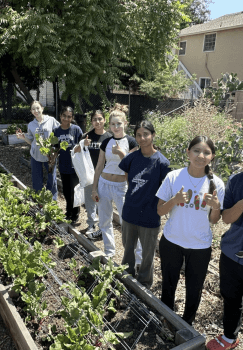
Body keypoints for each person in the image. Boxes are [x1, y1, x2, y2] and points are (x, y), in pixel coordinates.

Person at [156, 136, 224, 325]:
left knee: (194, 288)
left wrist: (216, 207)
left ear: (212, 157)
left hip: (200, 245)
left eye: (206, 152)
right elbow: (160, 210)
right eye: (196, 150)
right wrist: (174, 200)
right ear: (188, 152)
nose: (200, 155)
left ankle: (187, 324)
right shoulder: (174, 177)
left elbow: (214, 220)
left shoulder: (216, 184)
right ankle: (166, 318)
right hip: (172, 241)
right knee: (168, 284)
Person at [207, 129, 243, 350]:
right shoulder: (238, 181)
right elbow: (226, 218)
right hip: (231, 254)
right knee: (231, 298)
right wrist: (242, 206)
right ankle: (229, 337)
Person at [119, 120, 170, 289]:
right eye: (139, 135)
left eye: (146, 134)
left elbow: (165, 189)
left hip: (150, 214)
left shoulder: (162, 163)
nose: (142, 138)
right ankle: (127, 278)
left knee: (148, 254)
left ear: (153, 135)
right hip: (130, 212)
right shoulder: (131, 158)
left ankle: (144, 284)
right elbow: (128, 178)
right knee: (128, 250)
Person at [91, 104, 138, 257]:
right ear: (109, 126)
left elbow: (132, 167)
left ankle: (132, 256)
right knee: (104, 220)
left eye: (119, 123)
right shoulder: (106, 142)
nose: (116, 126)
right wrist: (94, 188)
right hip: (104, 184)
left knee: (127, 222)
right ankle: (110, 251)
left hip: (121, 186)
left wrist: (121, 153)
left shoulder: (131, 142)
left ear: (125, 123)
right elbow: (99, 166)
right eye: (113, 124)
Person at [73, 110, 112, 237]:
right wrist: (82, 144)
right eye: (95, 119)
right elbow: (75, 151)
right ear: (91, 122)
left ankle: (104, 226)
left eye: (100, 119)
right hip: (90, 175)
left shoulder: (110, 137)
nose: (98, 122)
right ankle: (91, 224)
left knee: (104, 201)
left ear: (105, 120)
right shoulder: (87, 136)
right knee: (90, 201)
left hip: (105, 174)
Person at [16, 101, 60, 200]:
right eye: (33, 109)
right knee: (36, 179)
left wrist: (55, 148)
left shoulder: (51, 120)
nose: (36, 111)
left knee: (51, 179)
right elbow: (32, 141)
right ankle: (39, 200)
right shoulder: (31, 125)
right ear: (31, 111)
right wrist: (23, 137)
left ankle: (52, 200)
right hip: (36, 155)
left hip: (50, 156)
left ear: (42, 109)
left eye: (37, 108)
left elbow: (59, 133)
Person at [53, 106, 83, 223]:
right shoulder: (56, 131)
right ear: (60, 116)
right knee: (66, 191)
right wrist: (51, 156)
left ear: (72, 117)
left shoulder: (76, 130)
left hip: (74, 166)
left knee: (74, 191)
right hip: (63, 166)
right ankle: (68, 211)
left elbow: (82, 146)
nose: (66, 118)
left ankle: (75, 213)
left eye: (69, 116)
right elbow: (55, 148)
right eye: (64, 116)